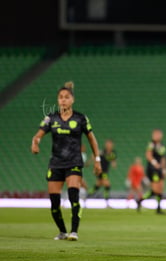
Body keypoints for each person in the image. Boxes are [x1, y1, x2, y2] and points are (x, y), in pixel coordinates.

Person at [31, 81, 102, 241]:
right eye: (61, 97)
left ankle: (74, 231)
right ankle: (62, 231)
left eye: (66, 97)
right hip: (56, 163)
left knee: (73, 196)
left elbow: (92, 140)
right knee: (54, 203)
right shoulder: (51, 118)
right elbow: (38, 135)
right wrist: (35, 142)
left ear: (72, 100)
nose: (63, 100)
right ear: (58, 100)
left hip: (74, 162)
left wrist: (97, 159)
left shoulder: (80, 118)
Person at [139, 129, 166, 214]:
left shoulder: (161, 145)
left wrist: (164, 169)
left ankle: (158, 208)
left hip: (159, 169)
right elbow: (148, 155)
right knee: (156, 189)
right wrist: (155, 164)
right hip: (152, 169)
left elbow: (162, 158)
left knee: (161, 188)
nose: (158, 136)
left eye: (159, 134)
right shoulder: (151, 144)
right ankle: (140, 200)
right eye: (156, 134)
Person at [88, 139, 117, 208]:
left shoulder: (113, 153)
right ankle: (107, 202)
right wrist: (90, 163)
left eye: (110, 144)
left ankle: (86, 198)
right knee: (107, 185)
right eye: (107, 144)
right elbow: (94, 156)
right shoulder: (102, 152)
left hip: (105, 171)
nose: (109, 145)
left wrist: (113, 163)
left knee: (97, 186)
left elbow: (113, 161)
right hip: (101, 171)